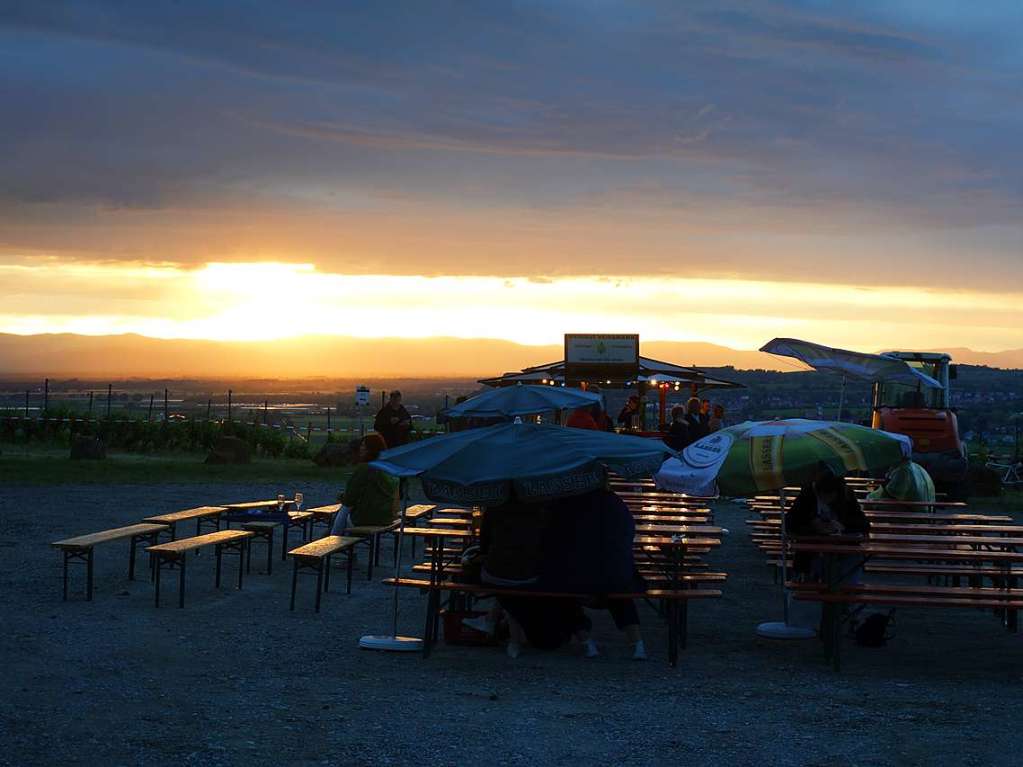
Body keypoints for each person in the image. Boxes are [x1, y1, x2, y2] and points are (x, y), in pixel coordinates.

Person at [540, 487, 647, 660]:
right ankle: (637, 643)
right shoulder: (615, 503)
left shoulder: (566, 504)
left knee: (560, 592)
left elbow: (552, 540)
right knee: (621, 594)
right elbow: (628, 535)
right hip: (616, 577)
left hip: (578, 578)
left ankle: (586, 641)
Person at [784, 465, 869, 580]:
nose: (827, 499)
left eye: (830, 495)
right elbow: (790, 524)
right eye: (824, 495)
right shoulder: (807, 496)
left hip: (844, 551)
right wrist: (814, 526)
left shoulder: (847, 496)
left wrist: (842, 526)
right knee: (817, 567)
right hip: (811, 552)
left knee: (848, 568)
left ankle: (842, 589)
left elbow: (863, 524)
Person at [330, 433, 398, 533]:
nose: (361, 449)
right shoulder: (388, 467)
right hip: (387, 517)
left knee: (344, 508)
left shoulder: (365, 468)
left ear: (371, 449)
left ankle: (333, 539)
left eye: (363, 446)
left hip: (367, 518)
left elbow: (350, 498)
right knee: (344, 510)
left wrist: (341, 497)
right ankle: (334, 538)